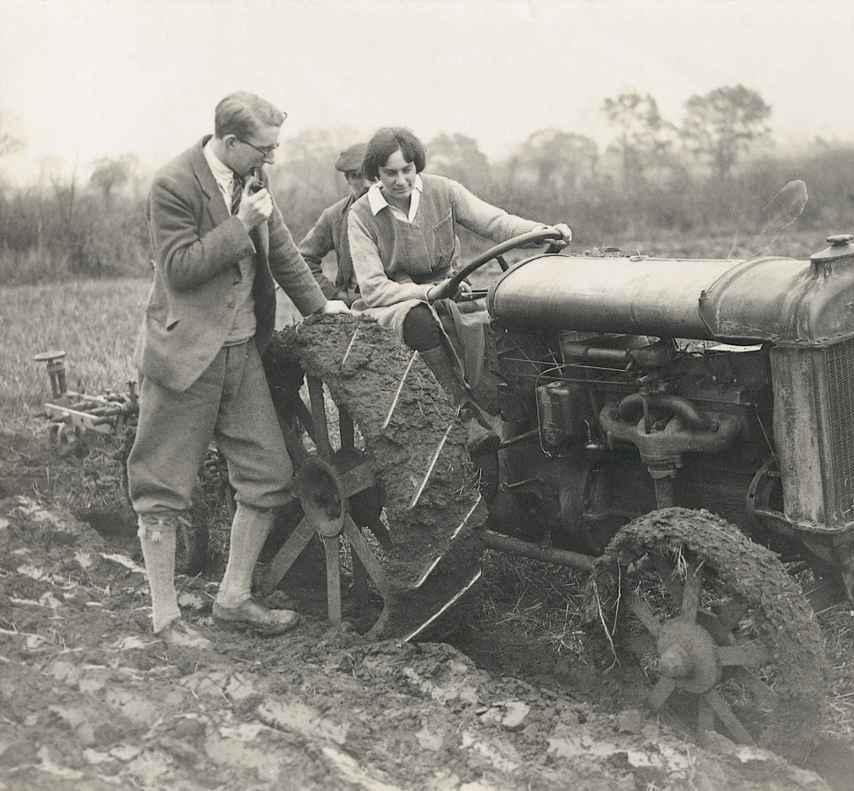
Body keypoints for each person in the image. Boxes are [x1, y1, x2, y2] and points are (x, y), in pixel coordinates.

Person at [127, 91, 350, 648]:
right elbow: (178, 270)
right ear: (230, 142)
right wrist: (239, 224)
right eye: (264, 149)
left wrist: (324, 307)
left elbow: (281, 254)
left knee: (269, 477)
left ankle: (232, 598)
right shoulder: (172, 184)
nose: (270, 160)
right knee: (161, 488)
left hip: (241, 353)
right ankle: (165, 617)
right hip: (185, 358)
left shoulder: (253, 181)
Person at [347, 127, 571, 478]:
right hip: (394, 302)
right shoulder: (361, 215)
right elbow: (374, 288)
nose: (401, 180)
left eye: (407, 170)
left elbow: (495, 222)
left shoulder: (443, 191)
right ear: (375, 174)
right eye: (390, 173)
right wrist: (426, 292)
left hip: (449, 290)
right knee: (419, 317)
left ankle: (521, 409)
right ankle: (462, 414)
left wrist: (543, 230)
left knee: (512, 310)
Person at [298, 142, 371, 304]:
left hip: (395, 302)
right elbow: (303, 259)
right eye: (357, 176)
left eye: (370, 175)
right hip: (354, 304)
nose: (366, 184)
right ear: (347, 179)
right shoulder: (334, 216)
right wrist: (334, 295)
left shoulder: (400, 209)